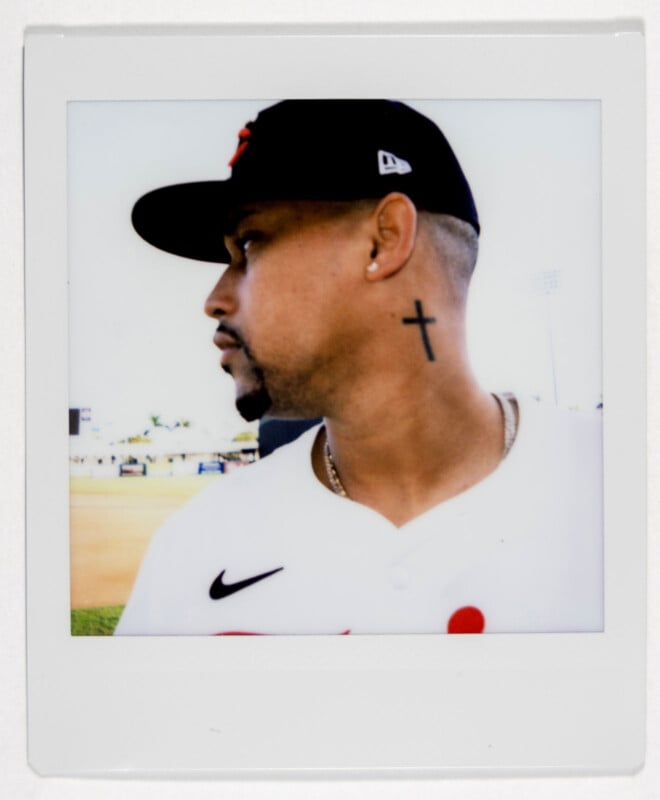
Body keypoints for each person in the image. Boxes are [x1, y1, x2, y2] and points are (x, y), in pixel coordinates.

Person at [115, 100, 602, 636]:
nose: (215, 299)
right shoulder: (192, 549)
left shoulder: (621, 489)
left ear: (384, 239)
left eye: (249, 245)